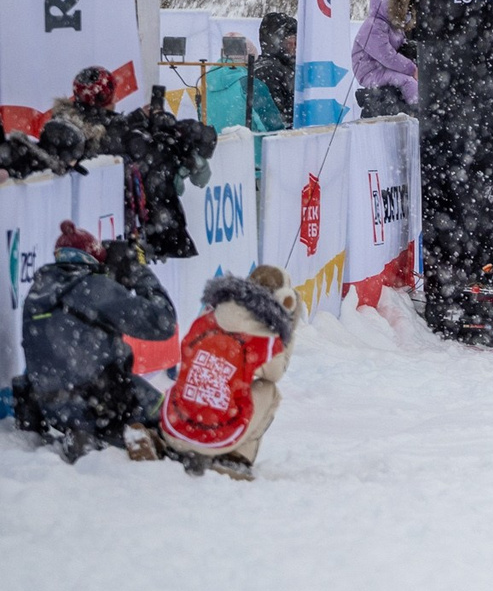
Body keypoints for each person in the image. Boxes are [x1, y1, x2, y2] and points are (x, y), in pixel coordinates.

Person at [12, 221, 177, 461]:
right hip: (103, 400)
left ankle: (83, 435)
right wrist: (139, 271)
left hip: (52, 405)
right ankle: (148, 436)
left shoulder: (38, 290)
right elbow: (163, 323)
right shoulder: (94, 288)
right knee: (170, 417)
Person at [157, 265, 297, 480]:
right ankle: (235, 459)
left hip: (175, 424)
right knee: (269, 390)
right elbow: (275, 373)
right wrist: (287, 329)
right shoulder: (262, 337)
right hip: (217, 434)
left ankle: (168, 444)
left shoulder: (208, 315)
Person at [122, 86, 219, 261]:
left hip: (152, 218)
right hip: (156, 219)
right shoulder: (171, 145)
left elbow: (199, 179)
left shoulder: (169, 146)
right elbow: (198, 180)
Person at [352, 0, 418, 117]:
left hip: (384, 68)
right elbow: (387, 56)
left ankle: (413, 111)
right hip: (371, 71)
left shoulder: (395, 28)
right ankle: (418, 112)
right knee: (409, 82)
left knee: (413, 82)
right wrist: (411, 69)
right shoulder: (373, 26)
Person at [48, 65, 126, 156]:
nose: (115, 98)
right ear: (103, 98)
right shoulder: (110, 134)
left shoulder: (63, 130)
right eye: (111, 95)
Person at [250, 12, 297, 131]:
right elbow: (279, 118)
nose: (295, 47)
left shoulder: (259, 66)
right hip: (275, 141)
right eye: (292, 41)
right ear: (277, 41)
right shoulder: (270, 71)